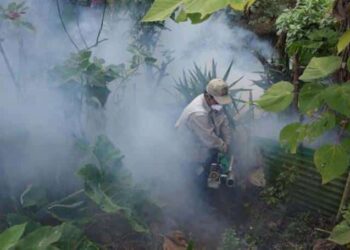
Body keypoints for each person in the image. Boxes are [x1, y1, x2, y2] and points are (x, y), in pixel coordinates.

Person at [175, 78, 233, 187]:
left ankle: (211, 185)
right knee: (196, 182)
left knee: (212, 172)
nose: (220, 104)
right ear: (208, 96)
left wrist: (228, 142)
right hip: (188, 150)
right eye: (218, 101)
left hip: (204, 146)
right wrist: (225, 148)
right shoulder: (198, 113)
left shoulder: (213, 103)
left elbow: (224, 123)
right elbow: (210, 140)